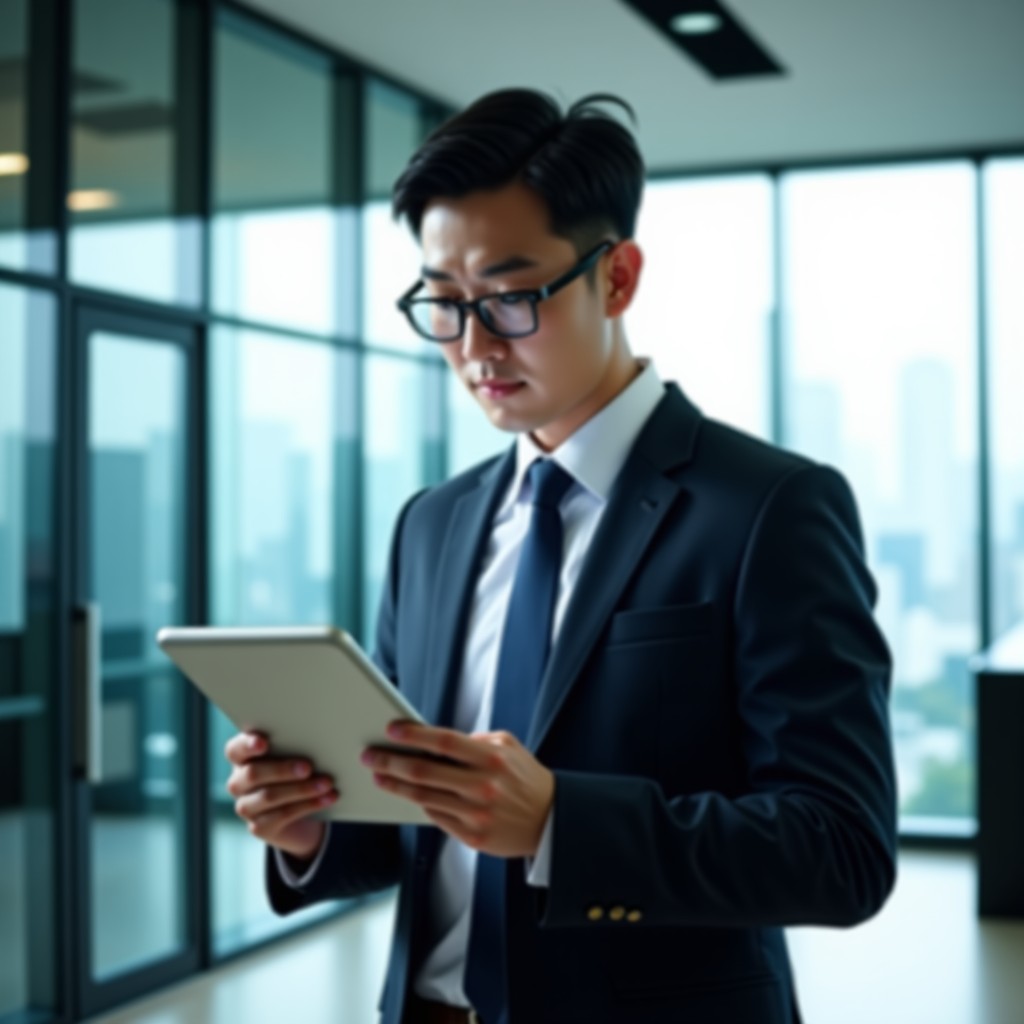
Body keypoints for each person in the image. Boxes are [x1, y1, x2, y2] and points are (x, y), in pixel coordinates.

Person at [223, 88, 897, 1024]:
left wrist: (557, 824)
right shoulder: (433, 523)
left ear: (616, 278)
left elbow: (842, 849)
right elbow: (409, 817)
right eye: (445, 304)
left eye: (508, 297)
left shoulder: (770, 508)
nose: (473, 347)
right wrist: (309, 828)